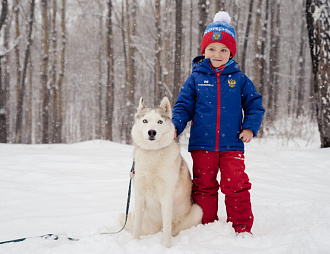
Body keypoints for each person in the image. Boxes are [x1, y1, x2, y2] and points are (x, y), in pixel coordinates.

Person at [172, 11, 265, 235]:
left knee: (236, 185)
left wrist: (250, 127)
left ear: (231, 53)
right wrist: (174, 127)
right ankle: (206, 226)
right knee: (204, 186)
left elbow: (254, 104)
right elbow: (183, 106)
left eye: (224, 49)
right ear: (204, 51)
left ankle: (241, 227)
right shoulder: (196, 78)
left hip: (232, 144)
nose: (217, 54)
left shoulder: (239, 79)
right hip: (202, 143)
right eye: (212, 49)